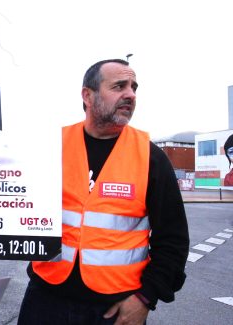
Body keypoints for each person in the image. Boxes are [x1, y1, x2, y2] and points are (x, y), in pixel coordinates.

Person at [18, 59, 189, 325]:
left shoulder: (151, 158)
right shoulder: (51, 146)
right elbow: (3, 196)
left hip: (115, 310)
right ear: (88, 95)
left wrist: (145, 298)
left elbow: (173, 240)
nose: (130, 94)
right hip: (46, 299)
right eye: (119, 86)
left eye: (133, 87)